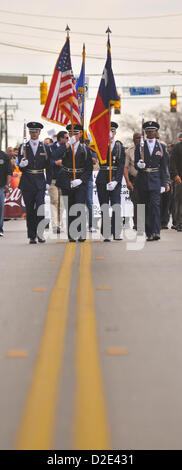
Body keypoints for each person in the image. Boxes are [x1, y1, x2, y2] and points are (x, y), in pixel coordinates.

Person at [55, 124, 93, 242]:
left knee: (80, 206)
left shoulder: (85, 149)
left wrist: (81, 180)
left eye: (76, 133)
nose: (73, 136)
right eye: (71, 134)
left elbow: (89, 168)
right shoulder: (64, 147)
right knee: (70, 206)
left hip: (80, 180)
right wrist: (67, 144)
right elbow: (55, 155)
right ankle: (72, 233)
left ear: (80, 134)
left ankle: (81, 233)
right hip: (67, 179)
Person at [18, 121, 52, 244]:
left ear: (39, 132)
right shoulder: (23, 147)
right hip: (27, 181)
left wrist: (48, 181)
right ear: (29, 133)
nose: (34, 134)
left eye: (36, 131)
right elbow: (19, 165)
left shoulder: (45, 147)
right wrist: (21, 165)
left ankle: (40, 233)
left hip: (39, 181)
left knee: (40, 208)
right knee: (30, 210)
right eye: (32, 131)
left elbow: (49, 167)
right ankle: (32, 235)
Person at [135, 121, 168, 241]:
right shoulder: (140, 146)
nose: (150, 133)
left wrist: (164, 184)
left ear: (156, 132)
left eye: (152, 131)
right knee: (145, 207)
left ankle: (156, 231)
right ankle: (148, 232)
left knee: (155, 206)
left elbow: (164, 168)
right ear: (145, 132)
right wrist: (139, 164)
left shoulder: (161, 147)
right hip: (143, 180)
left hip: (155, 179)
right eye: (148, 131)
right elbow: (135, 164)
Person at [96, 121, 125, 241]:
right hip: (102, 177)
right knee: (104, 206)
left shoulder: (119, 146)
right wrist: (103, 142)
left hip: (114, 178)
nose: (111, 133)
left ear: (115, 132)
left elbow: (121, 165)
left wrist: (116, 180)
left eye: (112, 131)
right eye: (109, 131)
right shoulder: (100, 145)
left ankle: (117, 232)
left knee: (116, 206)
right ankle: (106, 233)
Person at [48, 130, 69, 234]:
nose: (68, 140)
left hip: (64, 178)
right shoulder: (51, 148)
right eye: (66, 138)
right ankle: (55, 225)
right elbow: (48, 161)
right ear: (61, 139)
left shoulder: (68, 148)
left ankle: (59, 225)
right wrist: (55, 163)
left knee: (62, 204)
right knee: (54, 201)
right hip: (53, 179)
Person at [124, 132, 141, 230]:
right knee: (136, 202)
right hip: (134, 179)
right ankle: (137, 223)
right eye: (136, 138)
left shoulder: (146, 149)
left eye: (140, 138)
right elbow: (125, 168)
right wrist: (128, 182)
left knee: (145, 202)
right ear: (133, 139)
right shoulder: (129, 151)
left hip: (145, 179)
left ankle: (144, 222)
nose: (138, 140)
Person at [169, 137, 182, 231]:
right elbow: (172, 163)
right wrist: (175, 175)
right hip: (179, 178)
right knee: (179, 201)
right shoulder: (177, 147)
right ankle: (179, 223)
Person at [0, 149, 12, 236]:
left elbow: (9, 172)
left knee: (0, 208)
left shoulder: (5, 156)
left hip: (1, 186)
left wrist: (7, 184)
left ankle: (0, 229)